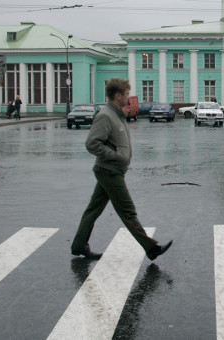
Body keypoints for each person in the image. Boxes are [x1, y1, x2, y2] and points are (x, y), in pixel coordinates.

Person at [71, 78, 172, 261]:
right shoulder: (105, 116)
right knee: (127, 211)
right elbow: (92, 144)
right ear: (117, 95)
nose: (128, 97)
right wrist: (116, 156)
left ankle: (79, 245)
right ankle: (151, 248)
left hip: (110, 170)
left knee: (93, 210)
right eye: (126, 94)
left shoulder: (116, 114)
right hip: (109, 171)